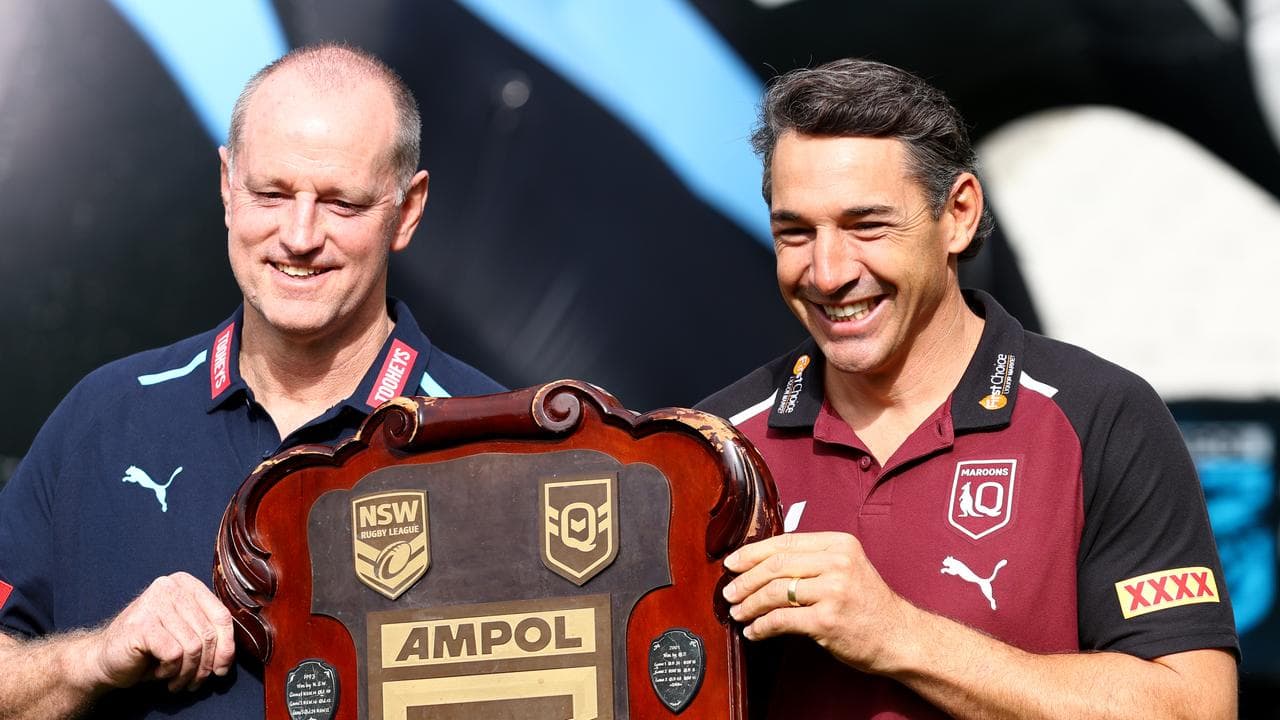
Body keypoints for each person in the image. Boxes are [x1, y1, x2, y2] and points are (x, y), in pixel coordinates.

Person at [699, 58, 1238, 719]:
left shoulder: (1101, 417)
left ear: (957, 214)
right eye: (796, 233)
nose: (829, 272)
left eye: (867, 225)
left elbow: (1195, 709)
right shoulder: (711, 447)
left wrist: (895, 633)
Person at [0, 44, 503, 718]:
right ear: (228, 186)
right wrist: (93, 656)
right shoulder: (104, 416)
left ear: (406, 211)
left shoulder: (499, 446)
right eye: (272, 192)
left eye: (341, 204)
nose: (299, 235)